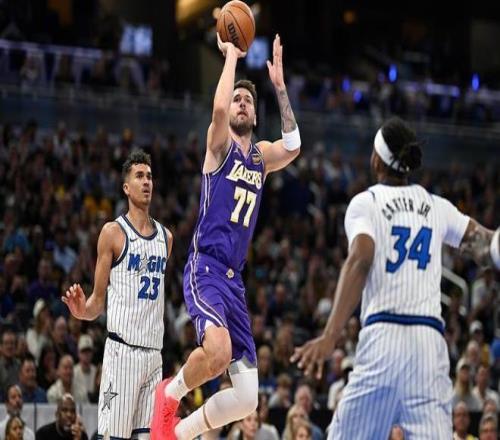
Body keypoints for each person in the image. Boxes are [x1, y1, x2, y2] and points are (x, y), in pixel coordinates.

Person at [291, 116, 500, 438]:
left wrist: (330, 335)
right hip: (429, 344)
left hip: (384, 338)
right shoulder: (437, 206)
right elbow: (486, 247)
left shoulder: (367, 203)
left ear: (376, 160)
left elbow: (361, 258)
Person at [151, 33, 301, 439]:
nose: (241, 103)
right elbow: (217, 109)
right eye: (237, 99)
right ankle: (169, 394)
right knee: (218, 353)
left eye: (248, 100)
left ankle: (179, 433)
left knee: (248, 397)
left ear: (255, 116)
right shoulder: (219, 148)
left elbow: (293, 146)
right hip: (206, 268)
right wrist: (232, 56)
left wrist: (280, 88)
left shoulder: (261, 157)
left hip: (235, 280)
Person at [62, 149, 173, 440]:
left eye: (149, 176)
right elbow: (97, 302)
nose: (146, 182)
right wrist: (81, 311)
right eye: (139, 176)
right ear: (126, 187)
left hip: (154, 356)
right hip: (122, 353)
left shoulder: (166, 238)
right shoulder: (112, 233)